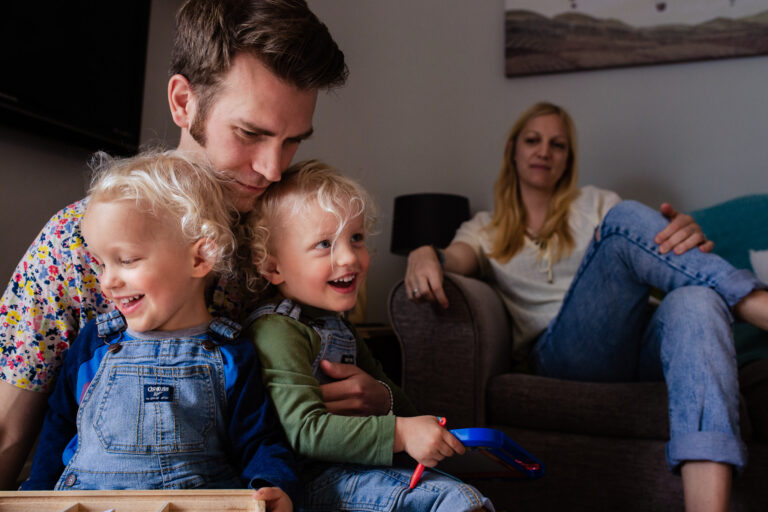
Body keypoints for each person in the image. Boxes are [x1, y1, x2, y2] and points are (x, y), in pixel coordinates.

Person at [0, 0, 388, 490]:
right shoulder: (75, 245)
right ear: (184, 102)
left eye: (293, 141)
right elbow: (8, 432)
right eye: (250, 134)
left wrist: (382, 403)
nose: (272, 169)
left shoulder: (291, 238)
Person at [404, 102, 768, 512]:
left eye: (557, 145)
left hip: (640, 336)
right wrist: (424, 252)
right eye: (533, 140)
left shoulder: (595, 203)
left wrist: (685, 242)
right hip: (565, 351)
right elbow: (454, 259)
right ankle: (754, 302)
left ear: (567, 160)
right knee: (628, 216)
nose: (544, 151)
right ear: (513, 149)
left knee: (697, 299)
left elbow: (648, 248)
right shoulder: (485, 228)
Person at [19, 151, 298, 511]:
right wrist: (35, 495)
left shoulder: (231, 354)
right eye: (102, 263)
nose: (108, 281)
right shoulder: (95, 343)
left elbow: (260, 440)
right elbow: (58, 429)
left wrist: (275, 485)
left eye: (127, 260)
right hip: (87, 502)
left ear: (199, 259)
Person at [242, 160, 494, 511]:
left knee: (460, 493)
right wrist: (403, 433)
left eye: (356, 238)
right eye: (324, 244)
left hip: (361, 469)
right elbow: (303, 432)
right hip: (310, 480)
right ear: (273, 267)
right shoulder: (277, 329)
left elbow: (402, 406)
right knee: (454, 502)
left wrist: (387, 403)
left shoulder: (338, 326)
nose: (349, 257)